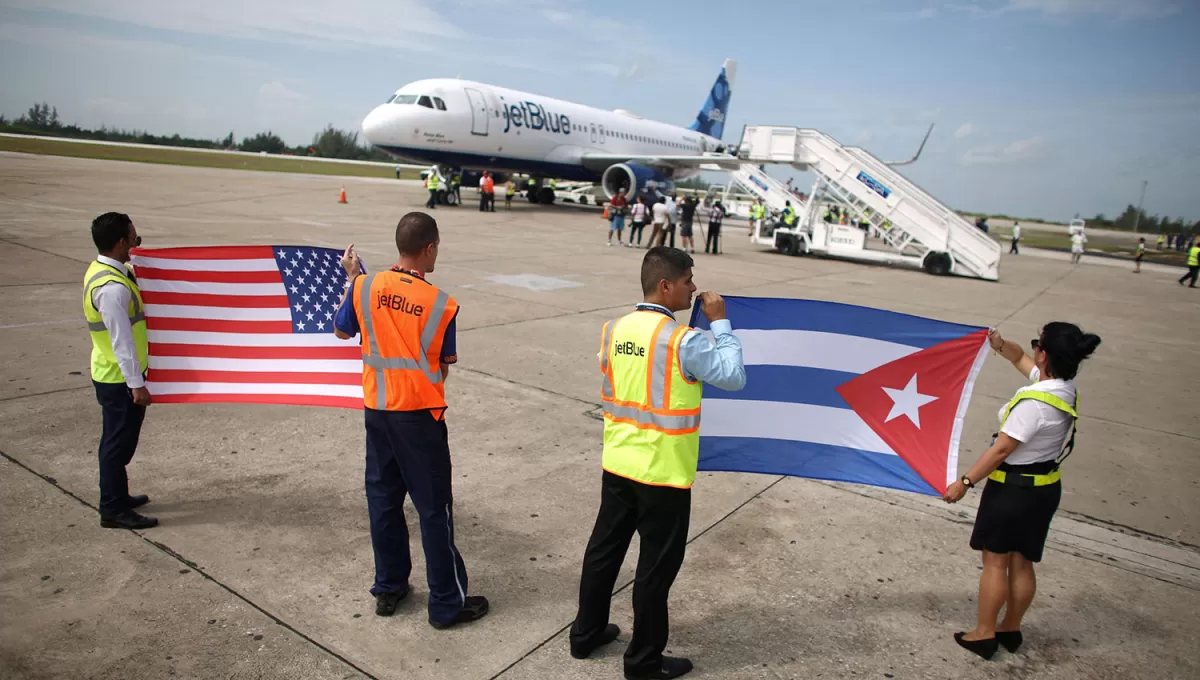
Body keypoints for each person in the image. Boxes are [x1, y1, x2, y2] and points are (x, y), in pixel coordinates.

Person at [570, 247, 746, 679]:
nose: (693, 287)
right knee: (655, 570)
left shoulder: (613, 330)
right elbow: (734, 375)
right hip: (664, 473)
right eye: (688, 280)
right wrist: (720, 320)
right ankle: (644, 661)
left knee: (603, 552)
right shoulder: (682, 340)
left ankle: (585, 633)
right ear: (665, 285)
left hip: (618, 464)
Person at [334, 213, 489, 628]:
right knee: (434, 510)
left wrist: (353, 279)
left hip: (377, 414)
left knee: (383, 502)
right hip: (418, 420)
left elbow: (342, 331)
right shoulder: (441, 303)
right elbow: (441, 370)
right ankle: (445, 604)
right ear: (430, 248)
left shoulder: (364, 286)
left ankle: (389, 587)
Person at [944, 323, 1101, 660]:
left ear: (1044, 354)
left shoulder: (1033, 406)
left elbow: (1001, 451)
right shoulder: (1062, 388)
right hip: (1044, 488)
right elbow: (1019, 359)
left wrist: (965, 483)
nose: (1032, 351)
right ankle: (1010, 628)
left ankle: (984, 634)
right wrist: (999, 345)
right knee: (1022, 562)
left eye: (1037, 345)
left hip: (1012, 491)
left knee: (995, 563)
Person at [84, 212, 158, 530]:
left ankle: (118, 494)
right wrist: (136, 384)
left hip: (116, 375)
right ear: (119, 243)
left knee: (121, 442)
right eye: (134, 240)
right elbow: (121, 342)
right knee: (116, 445)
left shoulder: (107, 269)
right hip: (118, 378)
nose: (136, 245)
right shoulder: (112, 289)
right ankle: (112, 509)